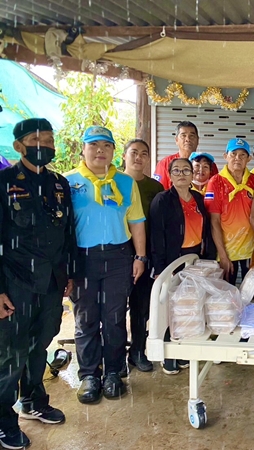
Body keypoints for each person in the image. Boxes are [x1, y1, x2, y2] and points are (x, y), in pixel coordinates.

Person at [0, 119, 75, 449]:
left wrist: (69, 274)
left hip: (51, 282)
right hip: (16, 282)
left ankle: (33, 401)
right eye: (35, 139)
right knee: (11, 353)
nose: (43, 145)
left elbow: (67, 233)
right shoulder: (4, 183)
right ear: (19, 146)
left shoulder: (59, 184)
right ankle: (3, 421)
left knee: (40, 344)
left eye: (49, 139)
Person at [65, 126, 146, 404]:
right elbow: (61, 228)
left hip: (118, 257)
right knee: (85, 318)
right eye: (94, 145)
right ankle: (89, 375)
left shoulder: (126, 182)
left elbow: (137, 222)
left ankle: (113, 372)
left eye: (106, 145)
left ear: (113, 151)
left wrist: (140, 257)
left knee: (114, 318)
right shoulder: (68, 182)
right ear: (83, 149)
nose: (100, 150)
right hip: (82, 258)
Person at [150, 158, 215, 374]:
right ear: (169, 175)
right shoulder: (162, 200)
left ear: (192, 174)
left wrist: (207, 256)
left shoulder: (198, 198)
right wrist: (160, 268)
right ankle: (169, 356)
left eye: (186, 170)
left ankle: (183, 350)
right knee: (170, 308)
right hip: (171, 259)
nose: (181, 174)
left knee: (188, 305)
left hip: (194, 257)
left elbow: (206, 230)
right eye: (176, 170)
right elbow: (156, 236)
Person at [122, 139, 164, 373]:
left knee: (141, 306)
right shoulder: (115, 182)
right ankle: (114, 356)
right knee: (115, 309)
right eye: (134, 152)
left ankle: (137, 351)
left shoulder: (155, 188)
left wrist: (151, 257)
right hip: (118, 253)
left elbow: (158, 226)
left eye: (144, 154)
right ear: (124, 156)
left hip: (144, 254)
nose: (139, 157)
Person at [205, 138, 254, 285]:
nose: (237, 158)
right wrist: (223, 255)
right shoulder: (215, 182)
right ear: (225, 156)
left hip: (251, 249)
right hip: (226, 249)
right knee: (226, 291)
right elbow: (214, 221)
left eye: (242, 155)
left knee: (251, 290)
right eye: (233, 154)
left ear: (249, 159)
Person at [153, 121, 199, 189]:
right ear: (176, 140)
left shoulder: (208, 165)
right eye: (183, 136)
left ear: (198, 140)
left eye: (192, 136)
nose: (188, 139)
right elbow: (158, 190)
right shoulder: (165, 163)